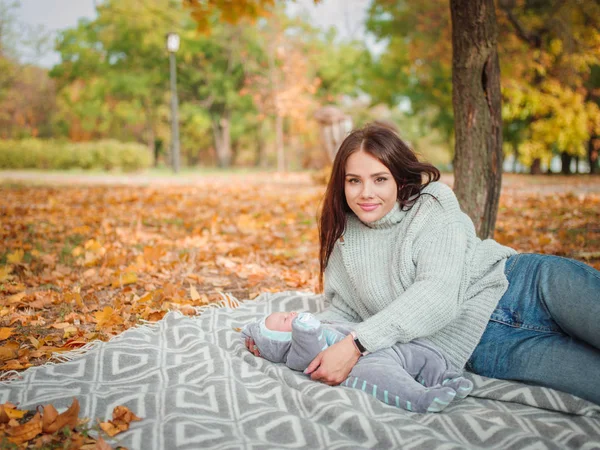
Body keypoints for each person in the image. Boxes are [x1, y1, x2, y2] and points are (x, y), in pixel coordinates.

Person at [246, 124, 600, 406]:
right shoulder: (344, 242)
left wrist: (357, 345)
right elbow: (343, 314)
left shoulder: (432, 204)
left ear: (399, 179)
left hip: (526, 286)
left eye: (379, 179)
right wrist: (278, 339)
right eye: (354, 180)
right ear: (342, 184)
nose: (366, 192)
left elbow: (438, 294)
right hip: (486, 347)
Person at [242, 311, 473, 413]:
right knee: (390, 379)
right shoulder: (296, 350)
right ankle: (421, 398)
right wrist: (302, 324)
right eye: (284, 318)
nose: (290, 313)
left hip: (373, 343)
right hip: (360, 367)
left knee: (420, 354)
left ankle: (446, 378)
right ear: (278, 340)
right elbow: (308, 338)